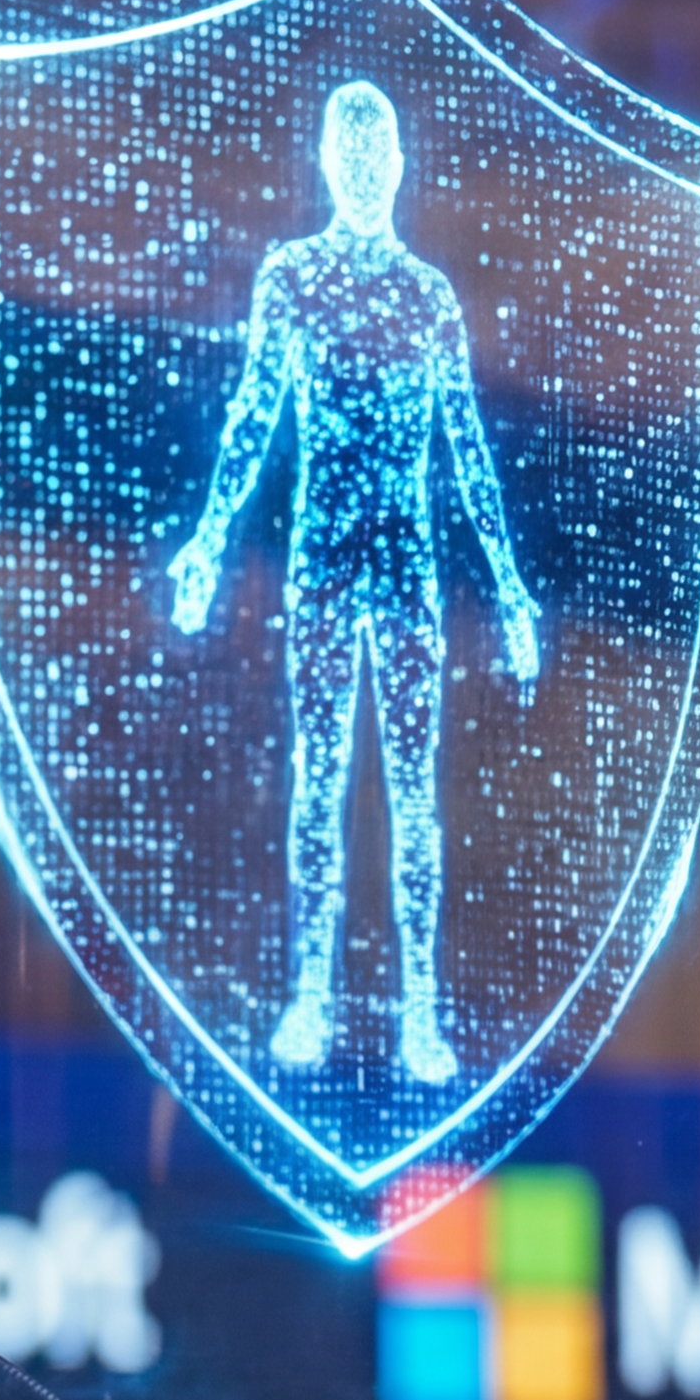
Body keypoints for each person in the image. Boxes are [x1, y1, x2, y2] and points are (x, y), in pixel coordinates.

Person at [162, 75, 546, 1084]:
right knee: (318, 780)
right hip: (326, 564)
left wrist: (509, 590)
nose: (368, 174)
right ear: (329, 165)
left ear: (400, 168)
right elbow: (251, 416)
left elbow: (468, 448)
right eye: (353, 158)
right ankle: (309, 998)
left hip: (404, 566)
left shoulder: (427, 295)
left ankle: (420, 1011)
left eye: (381, 159)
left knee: (412, 792)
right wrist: (208, 542)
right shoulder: (292, 276)